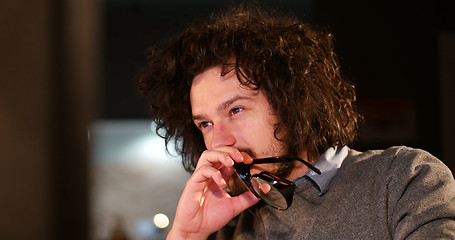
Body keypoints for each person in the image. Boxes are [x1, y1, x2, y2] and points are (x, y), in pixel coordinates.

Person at [137, 4, 455, 239]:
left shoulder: (403, 179)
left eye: (235, 110)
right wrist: (187, 234)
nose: (219, 141)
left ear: (291, 101)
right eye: (205, 124)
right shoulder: (230, 225)